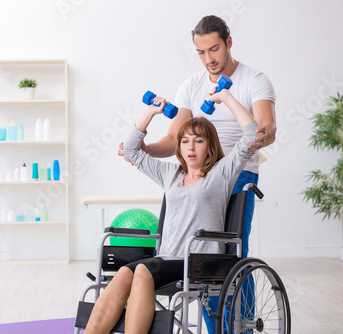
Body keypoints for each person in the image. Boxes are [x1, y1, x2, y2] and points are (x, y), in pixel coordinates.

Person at [118, 16, 276, 332]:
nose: (209, 59)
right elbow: (173, 140)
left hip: (237, 172)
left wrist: (260, 134)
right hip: (198, 174)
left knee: (231, 254)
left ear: (228, 43)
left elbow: (266, 127)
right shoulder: (191, 85)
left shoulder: (254, 80)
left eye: (214, 49)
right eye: (201, 52)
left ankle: (238, 326)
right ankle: (213, 322)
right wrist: (142, 151)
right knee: (198, 255)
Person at [85, 87, 259, 334]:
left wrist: (226, 98)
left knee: (143, 270)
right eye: (185, 140)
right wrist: (151, 112)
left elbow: (252, 136)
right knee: (124, 273)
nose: (191, 147)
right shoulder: (171, 175)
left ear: (210, 145)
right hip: (167, 259)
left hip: (200, 262)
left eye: (199, 140)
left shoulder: (220, 174)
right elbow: (131, 151)